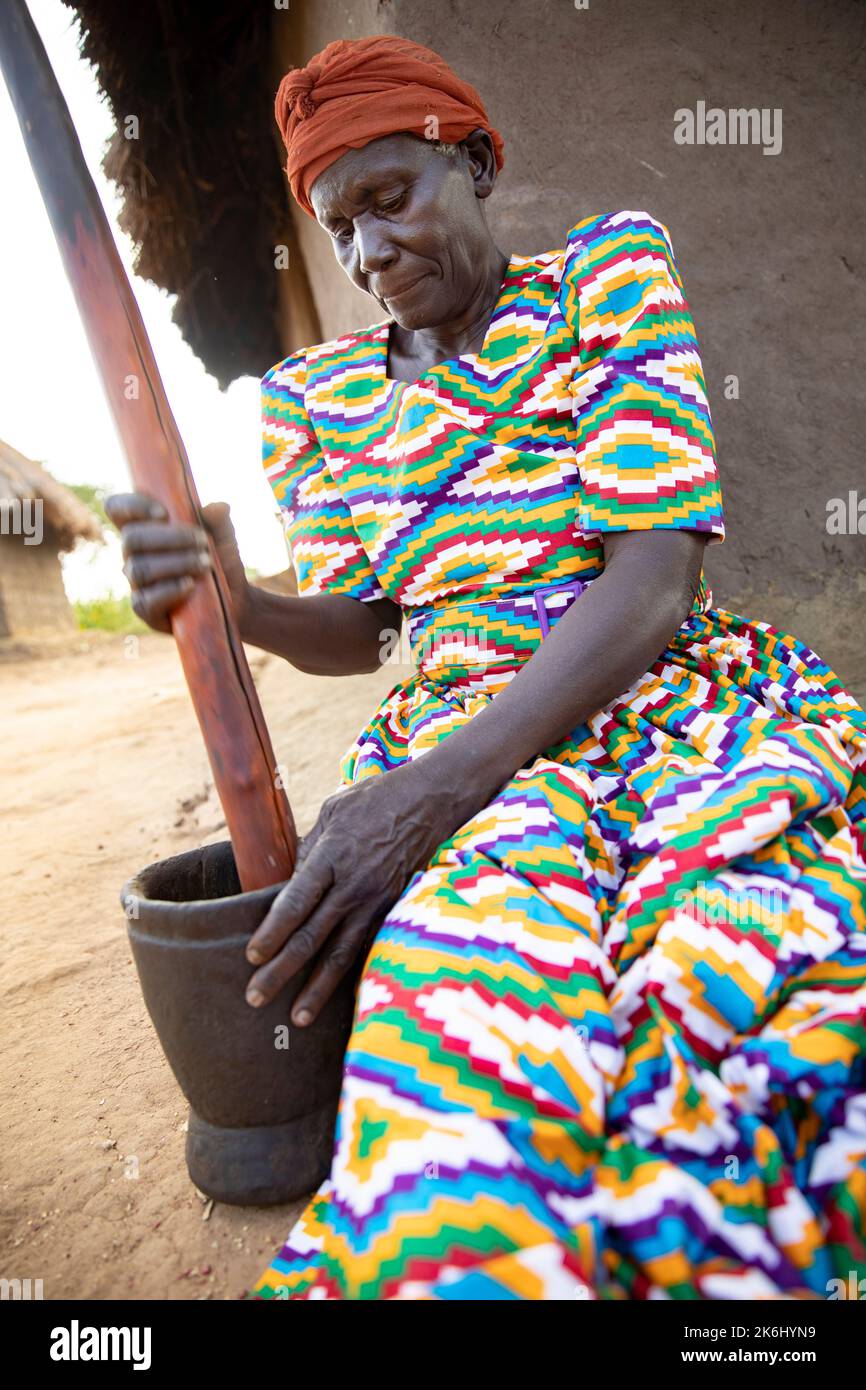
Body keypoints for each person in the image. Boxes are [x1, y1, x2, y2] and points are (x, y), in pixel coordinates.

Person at [106, 36, 866, 1301]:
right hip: (459, 744)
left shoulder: (604, 279)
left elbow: (650, 578)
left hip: (674, 705)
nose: (368, 255)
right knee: (467, 1036)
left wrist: (427, 793)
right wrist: (239, 605)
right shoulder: (317, 399)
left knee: (751, 982)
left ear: (471, 161)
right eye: (338, 230)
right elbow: (363, 627)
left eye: (390, 198)